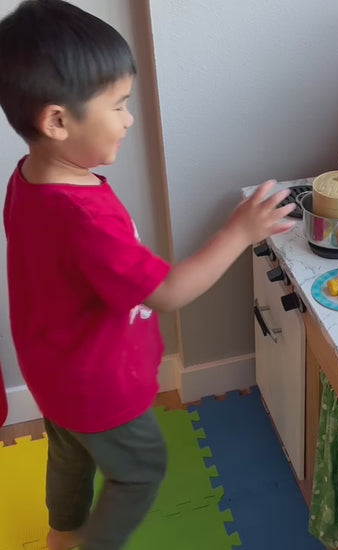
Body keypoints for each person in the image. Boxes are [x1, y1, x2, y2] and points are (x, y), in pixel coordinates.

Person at [0, 1, 296, 549]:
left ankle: (60, 535)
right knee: (139, 471)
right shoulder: (84, 217)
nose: (129, 118)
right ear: (57, 120)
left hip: (53, 370)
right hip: (98, 384)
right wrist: (239, 232)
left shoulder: (27, 180)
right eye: (117, 105)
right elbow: (167, 292)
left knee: (68, 453)